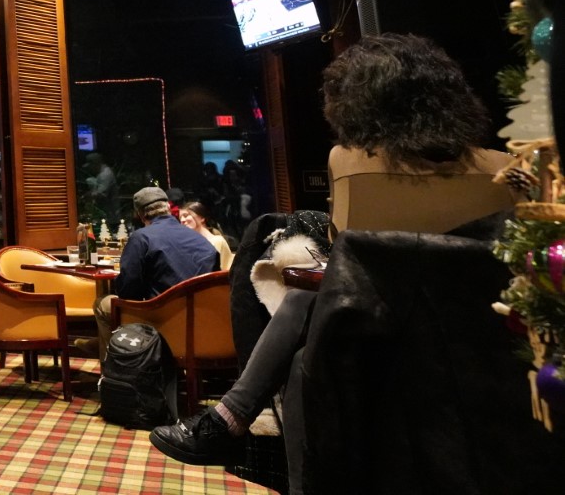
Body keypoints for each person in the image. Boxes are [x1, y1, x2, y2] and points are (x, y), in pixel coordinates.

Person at [149, 34, 518, 491]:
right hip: (486, 339)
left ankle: (235, 421)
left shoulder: (349, 162)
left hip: (378, 332)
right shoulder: (506, 169)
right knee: (304, 347)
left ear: (354, 104)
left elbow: (345, 261)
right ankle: (232, 418)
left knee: (305, 345)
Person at [94, 185, 219, 345]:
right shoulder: (200, 240)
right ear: (168, 208)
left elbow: (128, 292)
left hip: (162, 321)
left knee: (102, 304)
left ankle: (117, 357)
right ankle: (100, 346)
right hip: (203, 322)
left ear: (140, 215)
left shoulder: (141, 238)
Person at [178, 199, 233, 271]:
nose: (182, 220)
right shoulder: (187, 245)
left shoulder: (217, 241)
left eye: (186, 216)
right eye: (180, 218)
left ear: (201, 218)